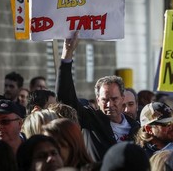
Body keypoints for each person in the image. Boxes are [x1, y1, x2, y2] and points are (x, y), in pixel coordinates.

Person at [57, 31, 140, 162]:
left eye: (114, 99)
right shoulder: (90, 120)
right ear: (97, 100)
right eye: (105, 100)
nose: (109, 105)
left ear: (122, 99)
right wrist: (67, 55)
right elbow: (66, 98)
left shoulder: (136, 128)